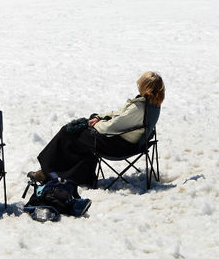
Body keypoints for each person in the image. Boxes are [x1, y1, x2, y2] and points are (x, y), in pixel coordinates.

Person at [28, 71, 165, 188]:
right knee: (81, 138)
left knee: (68, 132)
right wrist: (99, 118)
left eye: (140, 83)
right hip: (129, 142)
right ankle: (76, 175)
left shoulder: (138, 108)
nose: (138, 85)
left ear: (146, 87)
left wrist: (91, 125)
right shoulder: (153, 105)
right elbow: (119, 115)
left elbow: (111, 127)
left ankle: (46, 172)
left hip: (118, 146)